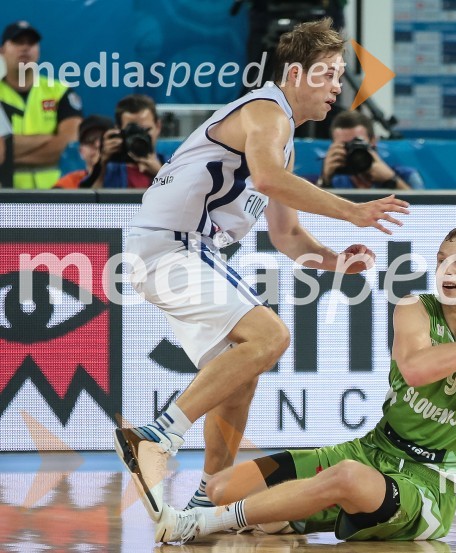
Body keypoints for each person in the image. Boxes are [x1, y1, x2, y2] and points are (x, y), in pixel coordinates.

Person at [114, 17, 410, 524]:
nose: (337, 86)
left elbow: (287, 236)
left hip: (175, 251)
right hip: (172, 247)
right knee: (270, 336)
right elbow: (270, 180)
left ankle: (206, 503)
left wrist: (337, 262)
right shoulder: (267, 111)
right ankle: (157, 436)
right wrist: (353, 210)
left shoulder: (281, 136)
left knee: (239, 373)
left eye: (342, 75)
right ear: (294, 73)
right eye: (328, 73)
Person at [151, 225, 456, 544]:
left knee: (343, 480)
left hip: (429, 486)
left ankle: (209, 525)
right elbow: (417, 370)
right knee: (222, 487)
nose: (446, 269)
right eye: (441, 258)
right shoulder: (414, 308)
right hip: (372, 451)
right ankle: (277, 517)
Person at [0, 21, 82, 189]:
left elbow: (70, 146)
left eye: (31, 43)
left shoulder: (60, 91)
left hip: (57, 193)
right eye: (17, 42)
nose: (25, 48)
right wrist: (50, 139)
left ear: (38, 51)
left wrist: (8, 154)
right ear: (2, 50)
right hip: (7, 194)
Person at [315, 110, 423, 190]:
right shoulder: (333, 180)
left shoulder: (406, 176)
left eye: (357, 143)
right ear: (333, 146)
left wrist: (391, 180)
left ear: (373, 141)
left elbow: (421, 215)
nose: (352, 151)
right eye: (344, 145)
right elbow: (313, 217)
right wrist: (324, 180)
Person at [90, 94, 165, 189]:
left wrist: (161, 174)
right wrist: (101, 165)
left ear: (158, 126)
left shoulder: (174, 166)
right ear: (118, 130)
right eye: (132, 131)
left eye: (145, 130)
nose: (139, 136)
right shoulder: (109, 169)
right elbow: (88, 202)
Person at [53, 115, 113, 189]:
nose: (98, 145)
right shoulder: (69, 184)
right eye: (90, 139)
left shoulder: (128, 175)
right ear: (81, 151)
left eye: (104, 138)